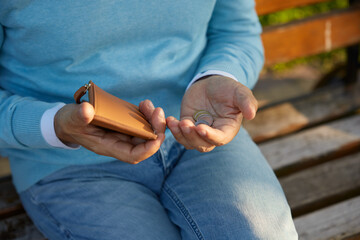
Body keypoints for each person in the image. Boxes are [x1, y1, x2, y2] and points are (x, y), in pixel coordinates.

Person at [0, 1, 298, 239]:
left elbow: (235, 31)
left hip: (195, 134)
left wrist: (218, 75)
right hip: (69, 165)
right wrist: (56, 124)